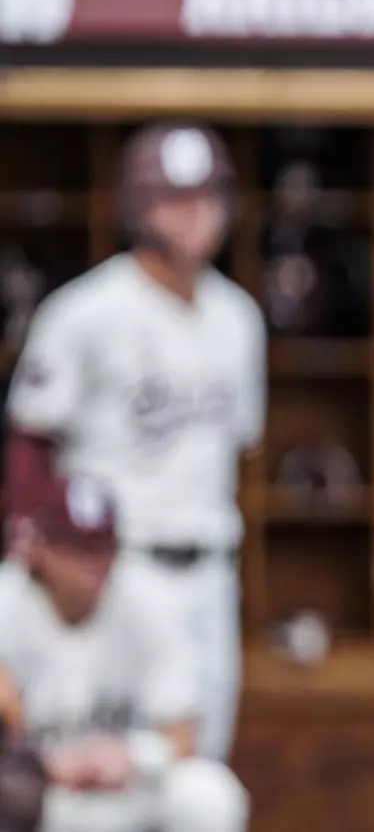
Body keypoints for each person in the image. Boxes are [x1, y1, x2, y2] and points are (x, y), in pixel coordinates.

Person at [3, 122, 265, 764]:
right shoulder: (84, 311)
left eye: (208, 197)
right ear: (136, 207)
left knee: (200, 768)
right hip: (118, 568)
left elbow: (237, 448)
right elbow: (31, 443)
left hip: (210, 569)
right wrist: (40, 562)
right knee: (102, 765)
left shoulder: (238, 318)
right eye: (174, 199)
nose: (196, 215)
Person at [0, 471, 249, 832]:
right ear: (42, 549)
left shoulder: (149, 596)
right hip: (40, 794)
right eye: (76, 548)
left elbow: (183, 734)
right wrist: (40, 761)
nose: (92, 565)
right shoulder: (8, 600)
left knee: (207, 794)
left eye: (101, 548)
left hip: (125, 791)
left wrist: (132, 756)